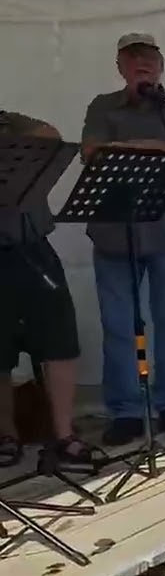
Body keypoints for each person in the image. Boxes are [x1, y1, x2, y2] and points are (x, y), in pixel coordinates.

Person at [80, 32, 165, 446]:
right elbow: (92, 152)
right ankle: (125, 412)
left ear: (160, 66)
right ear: (120, 67)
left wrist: (135, 146)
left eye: (149, 57)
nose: (142, 63)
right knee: (119, 326)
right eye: (132, 57)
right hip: (113, 234)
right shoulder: (103, 105)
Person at [0, 111, 92, 468]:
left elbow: (51, 135)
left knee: (60, 340)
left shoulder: (15, 129)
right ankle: (6, 434)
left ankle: (64, 433)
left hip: (34, 248)